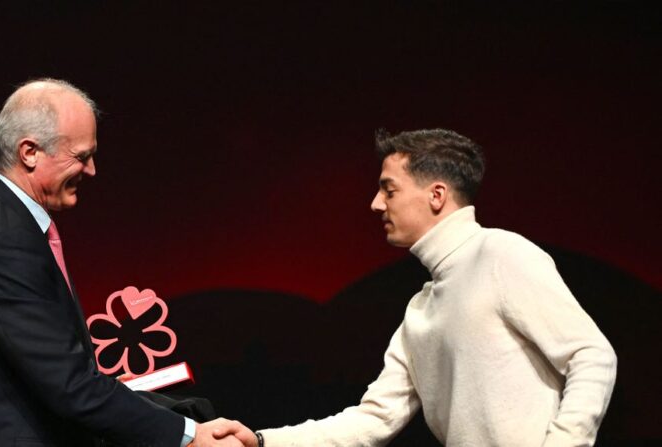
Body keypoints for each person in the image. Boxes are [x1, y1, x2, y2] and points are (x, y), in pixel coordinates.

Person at [214, 129, 617, 446]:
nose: (376, 204)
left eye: (389, 190)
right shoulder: (421, 308)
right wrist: (263, 441)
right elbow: (374, 419)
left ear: (436, 195)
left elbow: (591, 355)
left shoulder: (501, 254)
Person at [0, 79, 245, 447]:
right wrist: (191, 438)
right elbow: (71, 387)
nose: (92, 170)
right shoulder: (3, 241)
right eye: (81, 156)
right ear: (30, 152)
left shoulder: (7, 225)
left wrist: (183, 421)